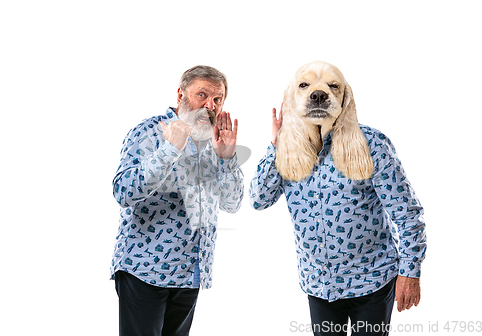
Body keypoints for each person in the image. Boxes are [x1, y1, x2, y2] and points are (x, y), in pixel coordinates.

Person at [249, 106, 427, 336]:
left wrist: (410, 271)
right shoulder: (288, 149)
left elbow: (406, 211)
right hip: (319, 284)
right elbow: (259, 199)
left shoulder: (371, 143)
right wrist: (276, 146)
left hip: (372, 280)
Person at [111, 65, 244, 336]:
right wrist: (170, 149)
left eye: (217, 99)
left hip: (191, 273)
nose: (210, 105)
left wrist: (228, 159)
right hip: (145, 271)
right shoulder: (148, 132)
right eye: (202, 95)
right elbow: (123, 192)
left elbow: (232, 204)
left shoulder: (213, 143)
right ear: (180, 94)